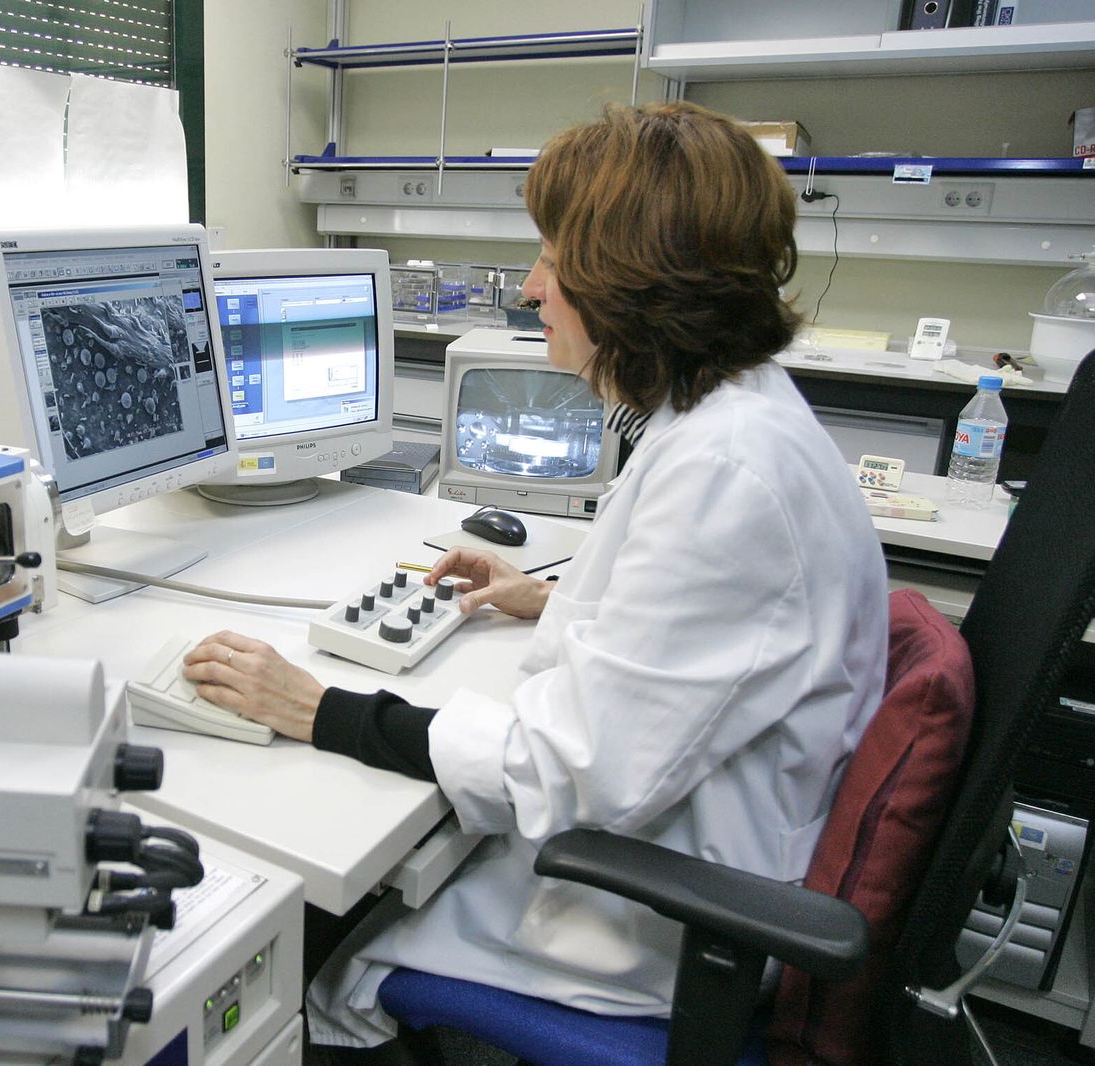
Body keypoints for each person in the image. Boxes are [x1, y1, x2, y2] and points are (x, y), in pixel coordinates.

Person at [180, 101, 889, 1048]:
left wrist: (320, 711)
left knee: (312, 939)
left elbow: (573, 773)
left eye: (554, 258)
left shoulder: (727, 472)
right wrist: (547, 598)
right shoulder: (735, 415)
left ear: (630, 282)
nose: (529, 288)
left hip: (655, 918)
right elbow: (710, 638)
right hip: (702, 828)